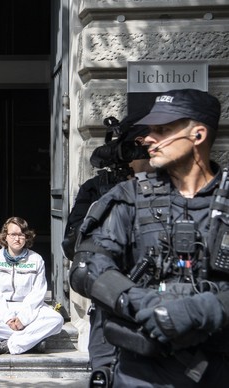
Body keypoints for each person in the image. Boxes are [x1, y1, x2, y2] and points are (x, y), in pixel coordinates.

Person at [70, 89, 229, 387]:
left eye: (163, 130)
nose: (148, 138)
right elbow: (87, 268)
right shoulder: (129, 197)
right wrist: (142, 301)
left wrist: (200, 311)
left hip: (215, 369)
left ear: (198, 135)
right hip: (140, 372)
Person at [62, 120, 152, 379]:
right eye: (144, 146)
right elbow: (72, 242)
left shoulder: (169, 190)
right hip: (110, 293)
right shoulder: (98, 188)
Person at [0, 216, 64, 355]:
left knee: (56, 320)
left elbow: (37, 293)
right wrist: (8, 317)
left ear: (27, 237)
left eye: (21, 235)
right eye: (13, 234)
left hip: (28, 308)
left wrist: (23, 318)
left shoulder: (36, 259)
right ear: (5, 236)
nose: (17, 239)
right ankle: (31, 343)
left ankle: (6, 345)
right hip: (2, 308)